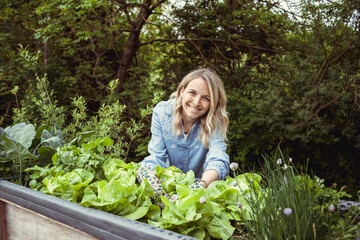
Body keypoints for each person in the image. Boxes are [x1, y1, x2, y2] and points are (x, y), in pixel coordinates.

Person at [137, 67, 230, 201]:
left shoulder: (216, 120)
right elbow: (157, 156)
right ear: (182, 91)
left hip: (201, 190)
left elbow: (218, 159)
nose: (196, 102)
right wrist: (151, 178)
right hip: (166, 185)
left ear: (212, 103)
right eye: (192, 93)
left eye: (206, 98)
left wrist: (201, 185)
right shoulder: (162, 112)